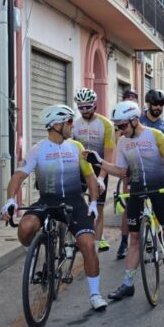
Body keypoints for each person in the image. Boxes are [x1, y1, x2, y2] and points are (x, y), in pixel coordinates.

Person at [2, 105, 107, 311]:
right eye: (69, 122)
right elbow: (18, 175)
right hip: (47, 200)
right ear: (56, 125)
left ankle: (95, 294)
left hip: (74, 200)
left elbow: (90, 177)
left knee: (87, 244)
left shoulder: (76, 147)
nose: (72, 126)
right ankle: (30, 254)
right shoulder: (38, 150)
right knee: (25, 227)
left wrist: (93, 202)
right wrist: (10, 200)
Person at [90, 100, 164, 300]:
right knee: (134, 239)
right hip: (135, 191)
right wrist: (99, 162)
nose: (121, 130)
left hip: (160, 189)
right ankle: (127, 284)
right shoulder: (123, 142)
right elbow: (121, 171)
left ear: (135, 120)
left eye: (123, 126)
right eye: (118, 127)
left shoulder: (155, 135)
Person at [71, 87, 115, 252]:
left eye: (88, 107)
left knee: (100, 207)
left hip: (98, 168)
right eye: (81, 107)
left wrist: (102, 177)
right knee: (77, 205)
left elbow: (109, 153)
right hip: (80, 169)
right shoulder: (75, 125)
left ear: (95, 105)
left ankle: (96, 245)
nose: (84, 111)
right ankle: (79, 237)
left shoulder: (106, 124)